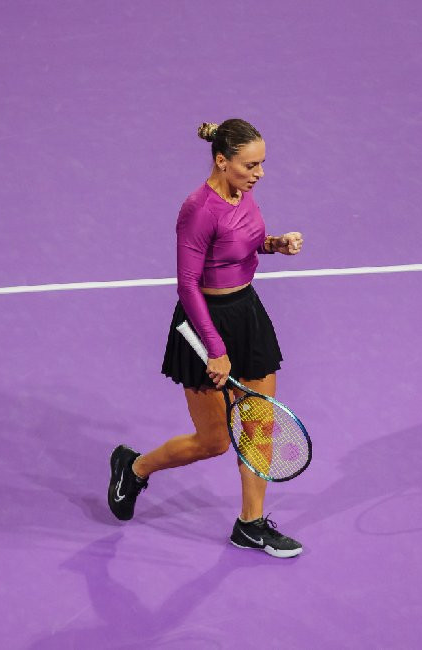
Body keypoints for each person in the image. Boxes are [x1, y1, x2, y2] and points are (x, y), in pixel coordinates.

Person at [107, 118, 305, 558]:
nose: (259, 174)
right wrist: (215, 350)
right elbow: (188, 284)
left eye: (262, 164)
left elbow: (243, 244)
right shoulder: (197, 210)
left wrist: (274, 244)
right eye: (250, 165)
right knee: (214, 441)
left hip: (247, 315)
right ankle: (135, 467)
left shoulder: (244, 194)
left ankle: (250, 524)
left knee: (259, 426)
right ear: (221, 161)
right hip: (204, 324)